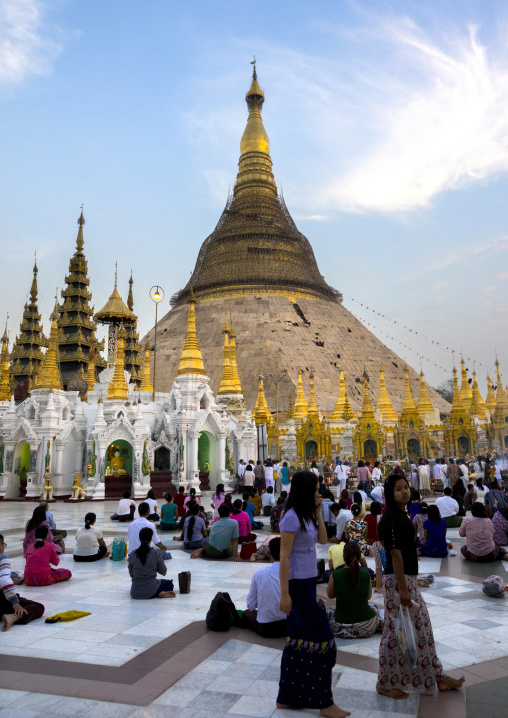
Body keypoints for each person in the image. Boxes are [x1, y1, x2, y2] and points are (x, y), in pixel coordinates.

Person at [376, 474, 464, 700]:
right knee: (395, 631)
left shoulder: (401, 515)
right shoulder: (391, 518)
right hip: (397, 581)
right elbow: (394, 554)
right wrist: (404, 588)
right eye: (398, 489)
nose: (404, 492)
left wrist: (413, 581)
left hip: (405, 579)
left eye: (406, 487)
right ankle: (385, 683)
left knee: (420, 630)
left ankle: (438, 676)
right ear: (389, 493)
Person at [276, 471, 350, 718]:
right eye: (316, 489)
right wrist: (284, 593)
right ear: (306, 490)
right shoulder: (290, 517)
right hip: (296, 585)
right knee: (324, 641)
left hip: (307, 581)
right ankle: (324, 702)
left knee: (297, 639)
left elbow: (322, 539)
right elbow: (284, 557)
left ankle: (286, 697)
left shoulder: (306, 514)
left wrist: (318, 509)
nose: (320, 492)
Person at [326, 541, 382, 639]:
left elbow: (330, 595)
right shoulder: (366, 574)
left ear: (344, 557)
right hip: (366, 627)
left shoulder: (335, 575)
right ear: (359, 556)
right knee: (375, 608)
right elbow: (368, 597)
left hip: (341, 628)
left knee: (330, 612)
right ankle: (382, 625)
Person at [242, 537, 287, 638]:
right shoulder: (295, 573)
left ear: (269, 554)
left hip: (266, 628)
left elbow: (251, 605)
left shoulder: (260, 574)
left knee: (247, 614)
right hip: (289, 626)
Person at [0, 534, 44, 631]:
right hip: (2, 600)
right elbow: (4, 580)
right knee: (38, 607)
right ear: (0, 545)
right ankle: (12, 617)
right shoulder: (2, 558)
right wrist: (15, 602)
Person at [128, 527, 176, 599]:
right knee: (169, 583)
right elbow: (164, 572)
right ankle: (159, 593)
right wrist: (154, 567)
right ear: (151, 539)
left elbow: (132, 574)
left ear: (139, 538)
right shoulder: (155, 553)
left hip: (135, 592)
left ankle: (158, 593)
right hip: (151, 588)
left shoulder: (132, 554)